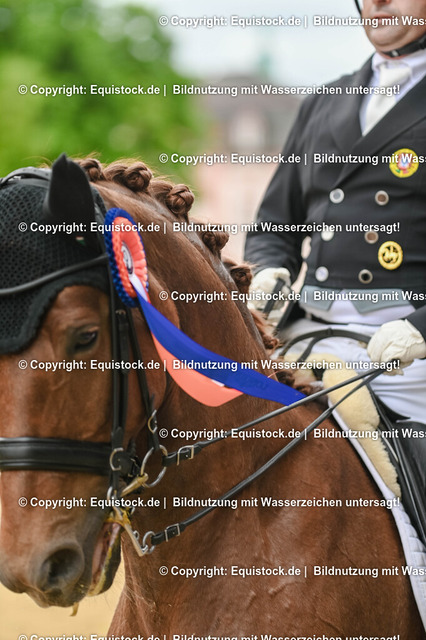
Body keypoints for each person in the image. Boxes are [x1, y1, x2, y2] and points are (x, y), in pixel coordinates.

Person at [245, 0, 426, 424]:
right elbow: (275, 225)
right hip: (308, 333)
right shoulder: (323, 102)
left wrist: (421, 328)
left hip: (408, 361)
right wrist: (268, 270)